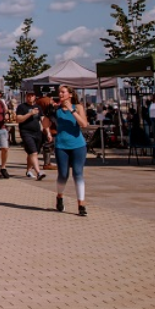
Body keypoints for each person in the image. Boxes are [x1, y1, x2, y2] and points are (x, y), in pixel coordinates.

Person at [52, 84, 89, 216]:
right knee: (63, 174)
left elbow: (84, 124)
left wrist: (71, 110)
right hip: (61, 145)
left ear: (70, 95)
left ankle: (81, 204)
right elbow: (45, 123)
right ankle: (60, 196)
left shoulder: (78, 107)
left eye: (63, 92)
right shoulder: (56, 109)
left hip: (78, 145)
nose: (60, 94)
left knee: (78, 173)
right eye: (59, 92)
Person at [16, 90, 46, 181]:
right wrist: (30, 113)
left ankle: (29, 170)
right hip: (26, 132)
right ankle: (38, 172)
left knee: (32, 153)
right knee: (34, 152)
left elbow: (42, 119)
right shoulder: (22, 107)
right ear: (26, 97)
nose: (30, 97)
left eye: (32, 95)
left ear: (35, 97)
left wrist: (47, 130)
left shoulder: (38, 107)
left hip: (37, 132)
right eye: (28, 96)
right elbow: (18, 119)